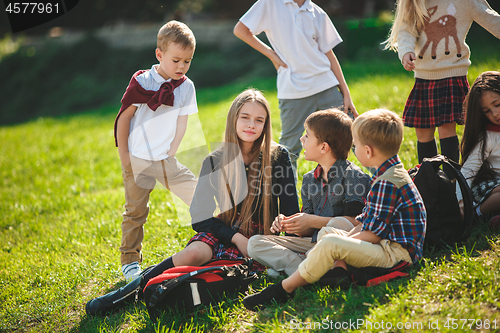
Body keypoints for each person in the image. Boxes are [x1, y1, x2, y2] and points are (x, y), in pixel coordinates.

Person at [86, 89, 300, 315]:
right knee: (193, 254)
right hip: (225, 231)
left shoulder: (278, 156)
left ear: (266, 125)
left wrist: (286, 239)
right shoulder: (215, 161)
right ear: (233, 119)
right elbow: (200, 217)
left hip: (258, 239)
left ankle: (162, 281)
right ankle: (127, 294)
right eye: (245, 117)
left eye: (259, 120)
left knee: (220, 269)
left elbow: (290, 210)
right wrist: (235, 237)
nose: (251, 125)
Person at [242, 109, 427, 310]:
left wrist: (336, 245)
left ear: (368, 151)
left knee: (330, 238)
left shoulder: (386, 182)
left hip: (395, 254)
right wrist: (303, 229)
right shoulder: (384, 176)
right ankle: (316, 266)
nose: (352, 150)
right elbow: (366, 222)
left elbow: (372, 233)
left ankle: (283, 289)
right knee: (328, 238)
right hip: (380, 245)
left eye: (355, 146)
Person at [114, 20, 199, 281]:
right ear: (159, 55)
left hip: (165, 158)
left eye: (187, 61)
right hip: (137, 157)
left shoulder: (186, 86)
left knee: (199, 195)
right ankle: (130, 260)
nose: (181, 67)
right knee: (136, 211)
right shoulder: (143, 81)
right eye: (175, 60)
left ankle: (210, 240)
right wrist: (125, 157)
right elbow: (124, 118)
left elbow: (183, 121)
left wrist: (173, 149)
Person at [233, 0, 357, 171]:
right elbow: (240, 30)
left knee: (354, 137)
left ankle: (388, 182)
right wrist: (271, 54)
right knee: (288, 150)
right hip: (293, 92)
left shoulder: (317, 13)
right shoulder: (270, 4)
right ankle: (286, 195)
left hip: (326, 85)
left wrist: (346, 93)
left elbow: (329, 55)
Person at [247, 109, 370, 277]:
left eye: (307, 135)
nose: (301, 138)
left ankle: (299, 268)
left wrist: (311, 220)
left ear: (323, 147)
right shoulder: (309, 179)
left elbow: (354, 223)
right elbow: (306, 229)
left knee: (336, 225)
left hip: (340, 243)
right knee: (255, 243)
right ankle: (306, 268)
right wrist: (289, 223)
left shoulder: (354, 176)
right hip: (311, 243)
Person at [384, 0, 500, 170]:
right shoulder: (416, 2)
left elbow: (491, 19)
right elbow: (406, 30)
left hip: (452, 74)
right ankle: (430, 182)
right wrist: (406, 51)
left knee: (447, 129)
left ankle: (452, 181)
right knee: (422, 131)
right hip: (424, 77)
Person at [458, 71, 500, 230]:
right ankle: (475, 214)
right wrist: (461, 203)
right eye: (486, 111)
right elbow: (468, 170)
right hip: (492, 187)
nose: (494, 113)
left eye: (497, 104)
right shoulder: (488, 136)